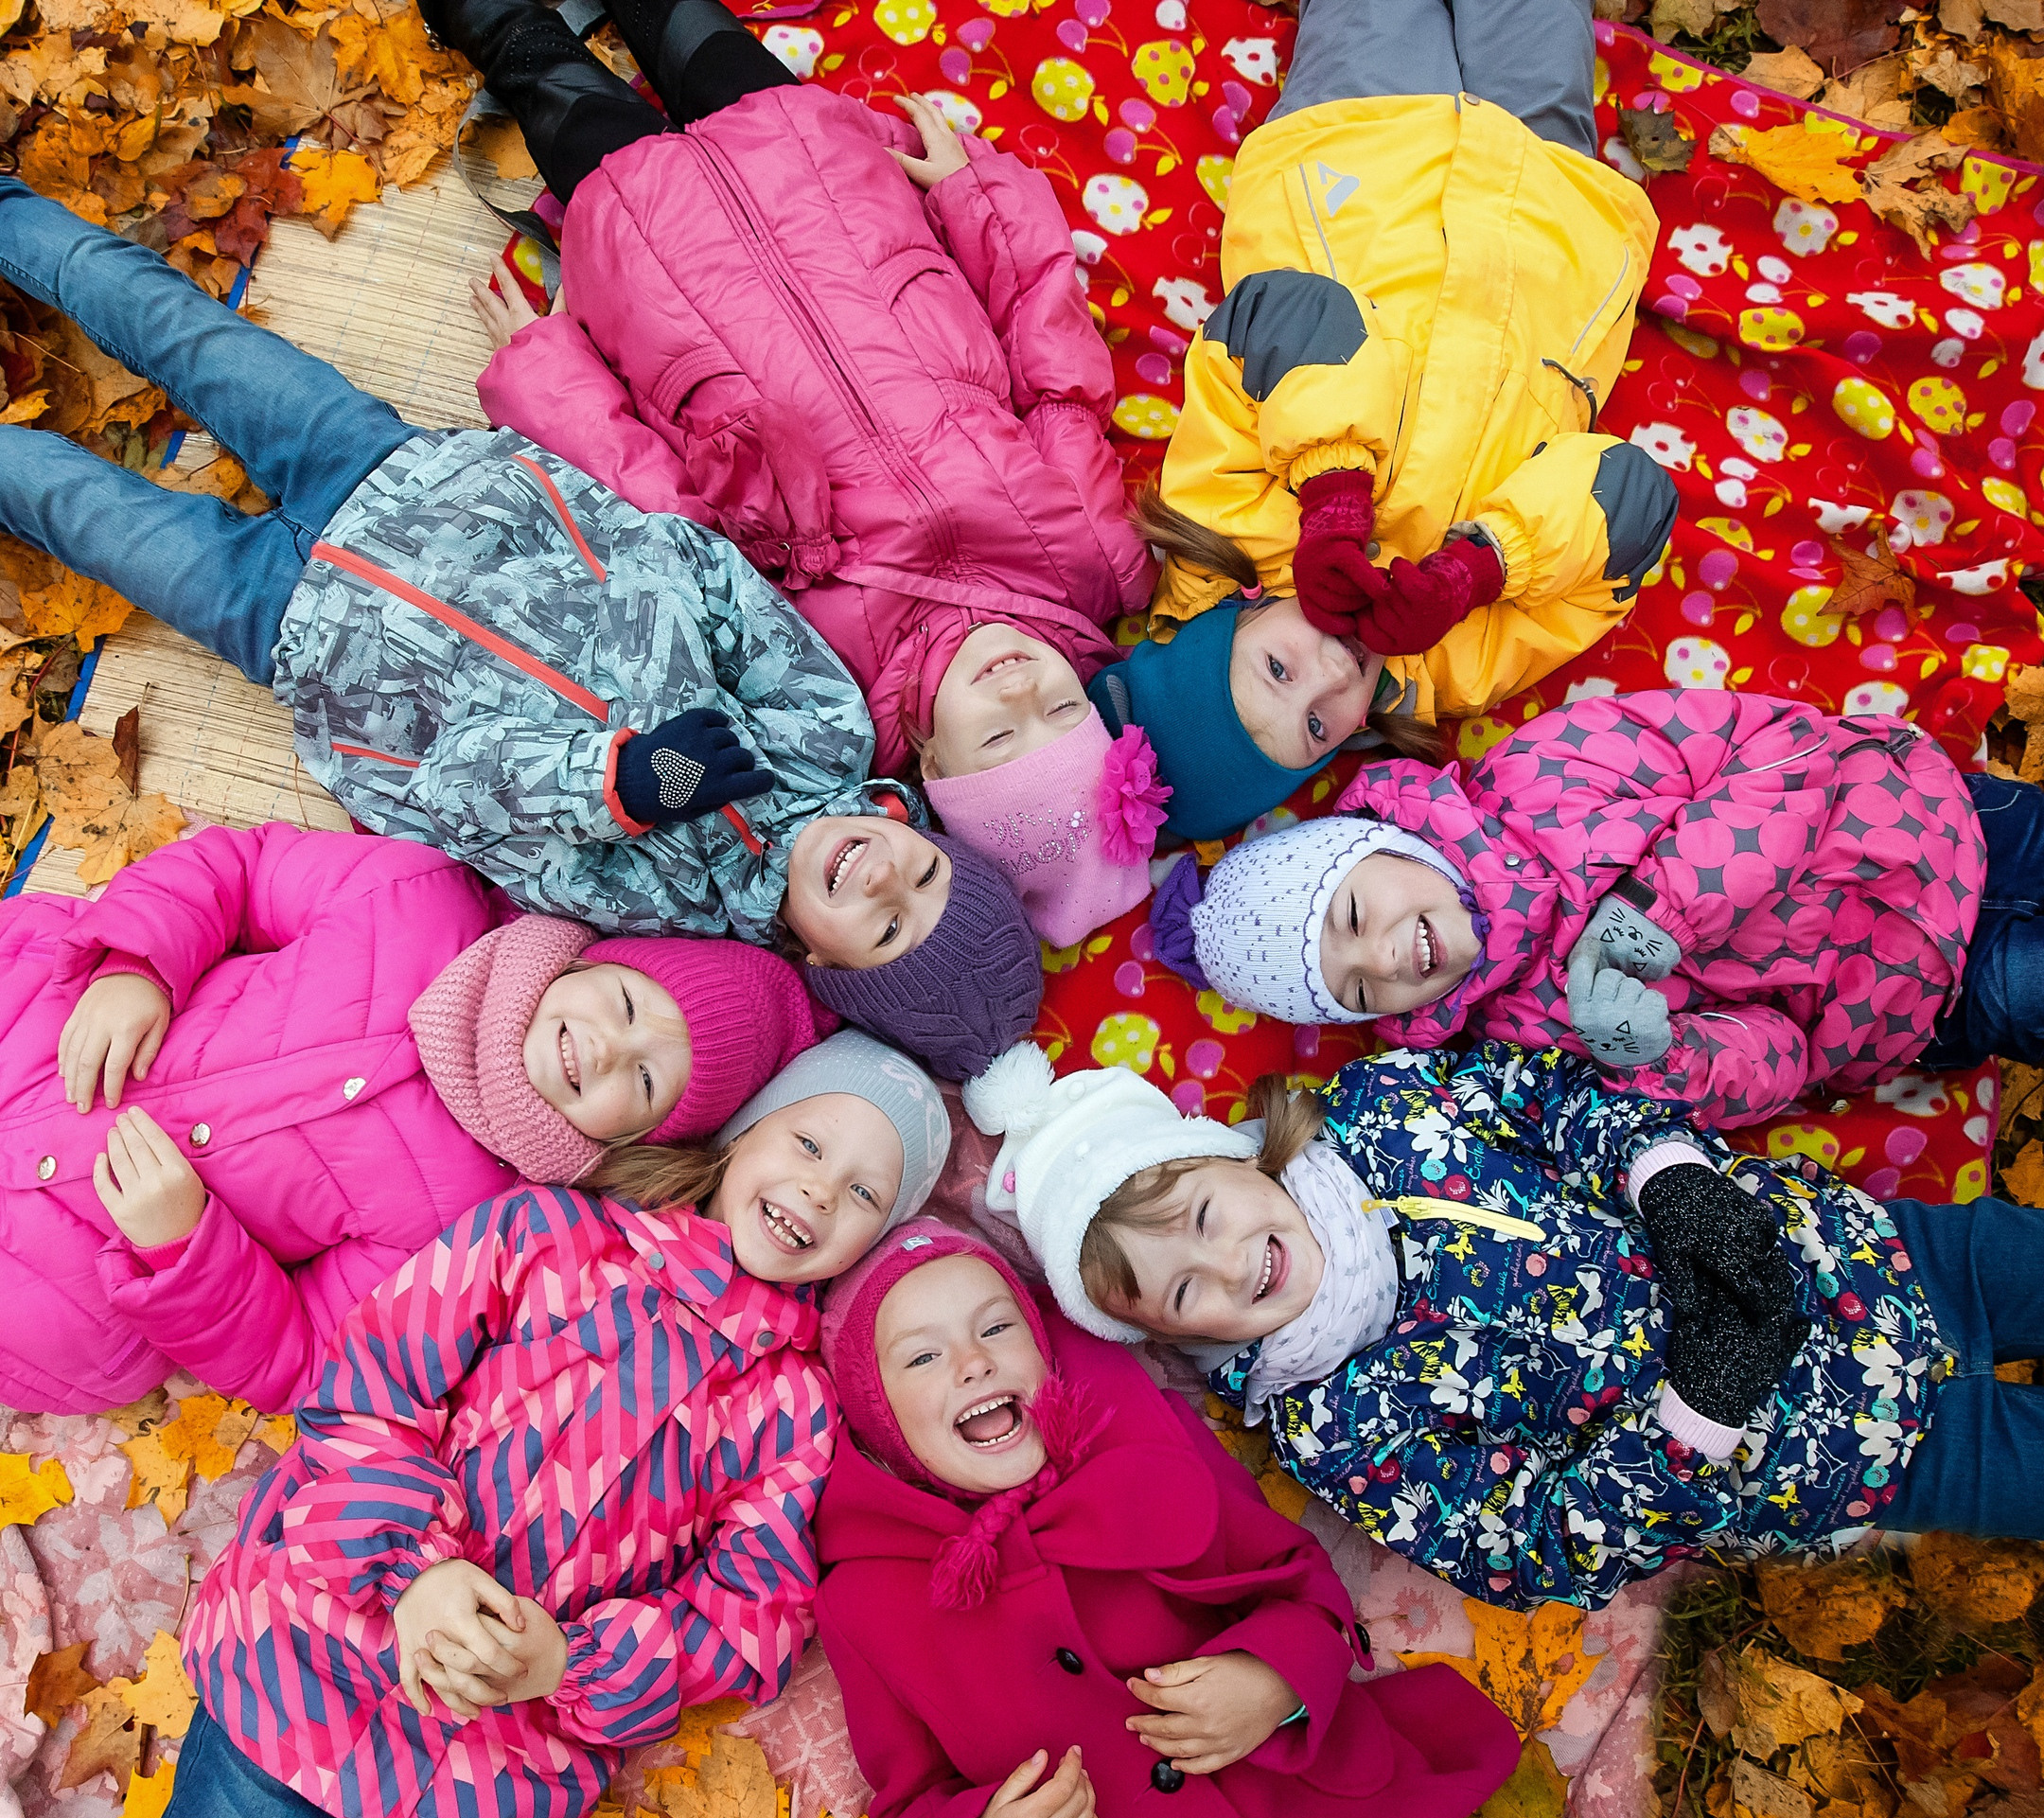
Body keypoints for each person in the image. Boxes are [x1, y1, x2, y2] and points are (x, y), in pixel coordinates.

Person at [0, 179, 1046, 1077]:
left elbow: (459, 792)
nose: (884, 876)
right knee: (163, 315)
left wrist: (624, 784)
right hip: (418, 483)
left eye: (889, 928)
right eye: (928, 873)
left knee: (62, 501)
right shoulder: (827, 729)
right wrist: (677, 696)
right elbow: (686, 561)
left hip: (308, 639)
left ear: (826, 969)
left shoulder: (669, 913)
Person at [51, 1033, 948, 1818]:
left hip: (491, 1780)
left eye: (868, 1194)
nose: (823, 1193)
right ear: (743, 1131)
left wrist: (570, 1659)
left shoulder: (791, 1407)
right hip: (309, 1671)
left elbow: (753, 1621)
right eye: (811, 1144)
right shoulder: (545, 1235)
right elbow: (367, 1392)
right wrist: (418, 1574)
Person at [810, 1217, 1629, 1818]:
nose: (974, 1360)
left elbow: (1306, 1591)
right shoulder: (867, 1602)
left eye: (997, 1327)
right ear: (881, 1422)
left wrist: (1271, 1683)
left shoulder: (1144, 1444)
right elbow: (909, 1806)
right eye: (923, 1356)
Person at [449, 0, 1166, 944]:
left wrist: (550, 376)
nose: (1020, 688)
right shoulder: (1090, 564)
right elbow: (1052, 357)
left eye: (1000, 735)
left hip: (657, 275)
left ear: (937, 773)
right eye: (1062, 708)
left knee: (523, 54)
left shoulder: (827, 688)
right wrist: (973, 199)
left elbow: (666, 519)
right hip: (822, 183)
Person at [960, 1039, 2044, 1609]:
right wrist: (1698, 1414)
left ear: (1231, 1154)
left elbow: (1553, 1097)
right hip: (1833, 1453)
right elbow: (1530, 1546)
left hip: (1869, 1257)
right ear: (1180, 1338)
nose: (1228, 1264)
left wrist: (1671, 1182)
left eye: (1203, 1214)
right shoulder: (1338, 1429)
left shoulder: (1383, 1108)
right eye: (1183, 1292)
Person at [0, 821, 835, 1414]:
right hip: (43, 1027)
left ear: (637, 1139)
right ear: (589, 958)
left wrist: (186, 1247)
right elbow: (240, 870)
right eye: (622, 1002)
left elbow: (304, 1359)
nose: (609, 1049)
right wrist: (136, 965)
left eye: (647, 1079)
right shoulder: (413, 900)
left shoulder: (478, 1229)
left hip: (62, 1276)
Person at [1091, 0, 1675, 842]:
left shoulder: (1214, 519)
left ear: (1227, 621)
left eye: (1277, 668)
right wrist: (1481, 569)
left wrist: (1331, 493)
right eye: (1320, 727)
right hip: (1545, 209)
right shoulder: (1454, 666)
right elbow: (1631, 501)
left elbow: (1289, 314)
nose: (1330, 673)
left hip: (1355, 155)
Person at [1149, 688, 2014, 1129]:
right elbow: (1783, 1056)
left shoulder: (1547, 771)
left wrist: (1656, 911)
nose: (1380, 961)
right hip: (1912, 1004)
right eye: (1358, 994)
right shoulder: (1528, 1034)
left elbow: (1779, 751)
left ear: (1380, 845)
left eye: (1350, 919)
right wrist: (1664, 1056)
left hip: (1921, 816)